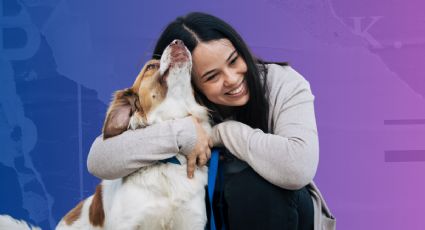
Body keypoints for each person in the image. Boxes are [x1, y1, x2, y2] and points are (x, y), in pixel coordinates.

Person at [87, 12, 335, 230]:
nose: (232, 79)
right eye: (212, 76)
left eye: (234, 60)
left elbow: (297, 167)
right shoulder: (184, 105)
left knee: (248, 186)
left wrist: (223, 133)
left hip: (283, 210)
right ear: (191, 83)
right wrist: (183, 133)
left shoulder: (284, 83)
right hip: (215, 212)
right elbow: (100, 159)